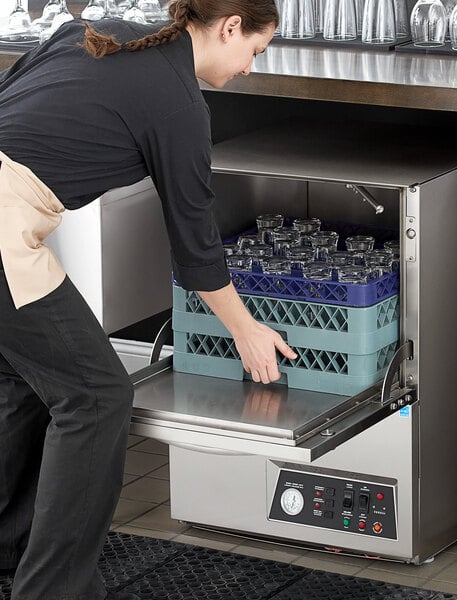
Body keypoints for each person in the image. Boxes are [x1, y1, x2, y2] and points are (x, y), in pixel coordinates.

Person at [0, 1, 295, 599]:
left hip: (9, 221)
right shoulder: (181, 105)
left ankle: (11, 552)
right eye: (254, 53)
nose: (249, 70)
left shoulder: (98, 31)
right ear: (230, 25)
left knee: (22, 380)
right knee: (97, 396)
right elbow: (196, 247)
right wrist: (245, 329)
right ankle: (55, 590)